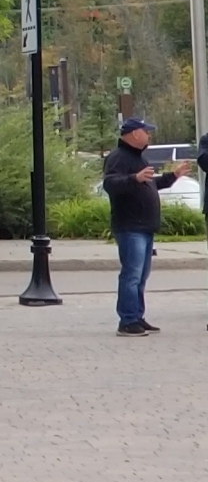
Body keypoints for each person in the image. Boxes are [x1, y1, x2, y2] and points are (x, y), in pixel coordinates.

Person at [101, 117, 191, 336]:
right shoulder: (118, 157)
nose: (149, 135)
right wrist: (134, 178)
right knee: (131, 275)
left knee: (140, 276)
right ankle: (127, 320)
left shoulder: (138, 157)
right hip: (130, 225)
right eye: (146, 131)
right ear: (134, 134)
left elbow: (150, 184)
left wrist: (172, 176)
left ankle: (137, 316)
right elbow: (110, 184)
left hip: (144, 226)